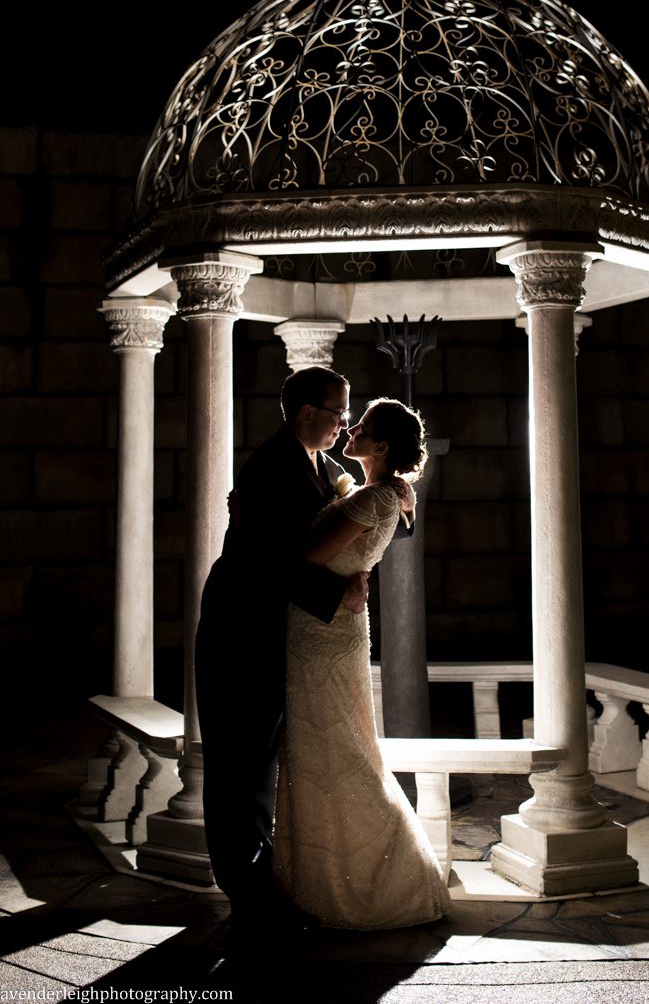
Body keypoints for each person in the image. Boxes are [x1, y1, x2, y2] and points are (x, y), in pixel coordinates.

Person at [195, 365, 372, 929]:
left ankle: (264, 884)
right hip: (240, 629)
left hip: (277, 629)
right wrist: (336, 593)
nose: (344, 424)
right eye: (339, 412)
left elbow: (345, 521)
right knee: (239, 764)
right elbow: (266, 559)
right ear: (306, 412)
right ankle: (248, 892)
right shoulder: (270, 467)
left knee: (261, 760)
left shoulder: (323, 466)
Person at [273, 397, 451, 931]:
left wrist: (256, 523)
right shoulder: (383, 493)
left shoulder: (374, 498)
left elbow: (305, 555)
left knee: (334, 750)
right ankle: (324, 878)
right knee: (332, 747)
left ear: (382, 446)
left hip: (322, 636)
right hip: (330, 628)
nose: (351, 429)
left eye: (364, 428)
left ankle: (368, 882)